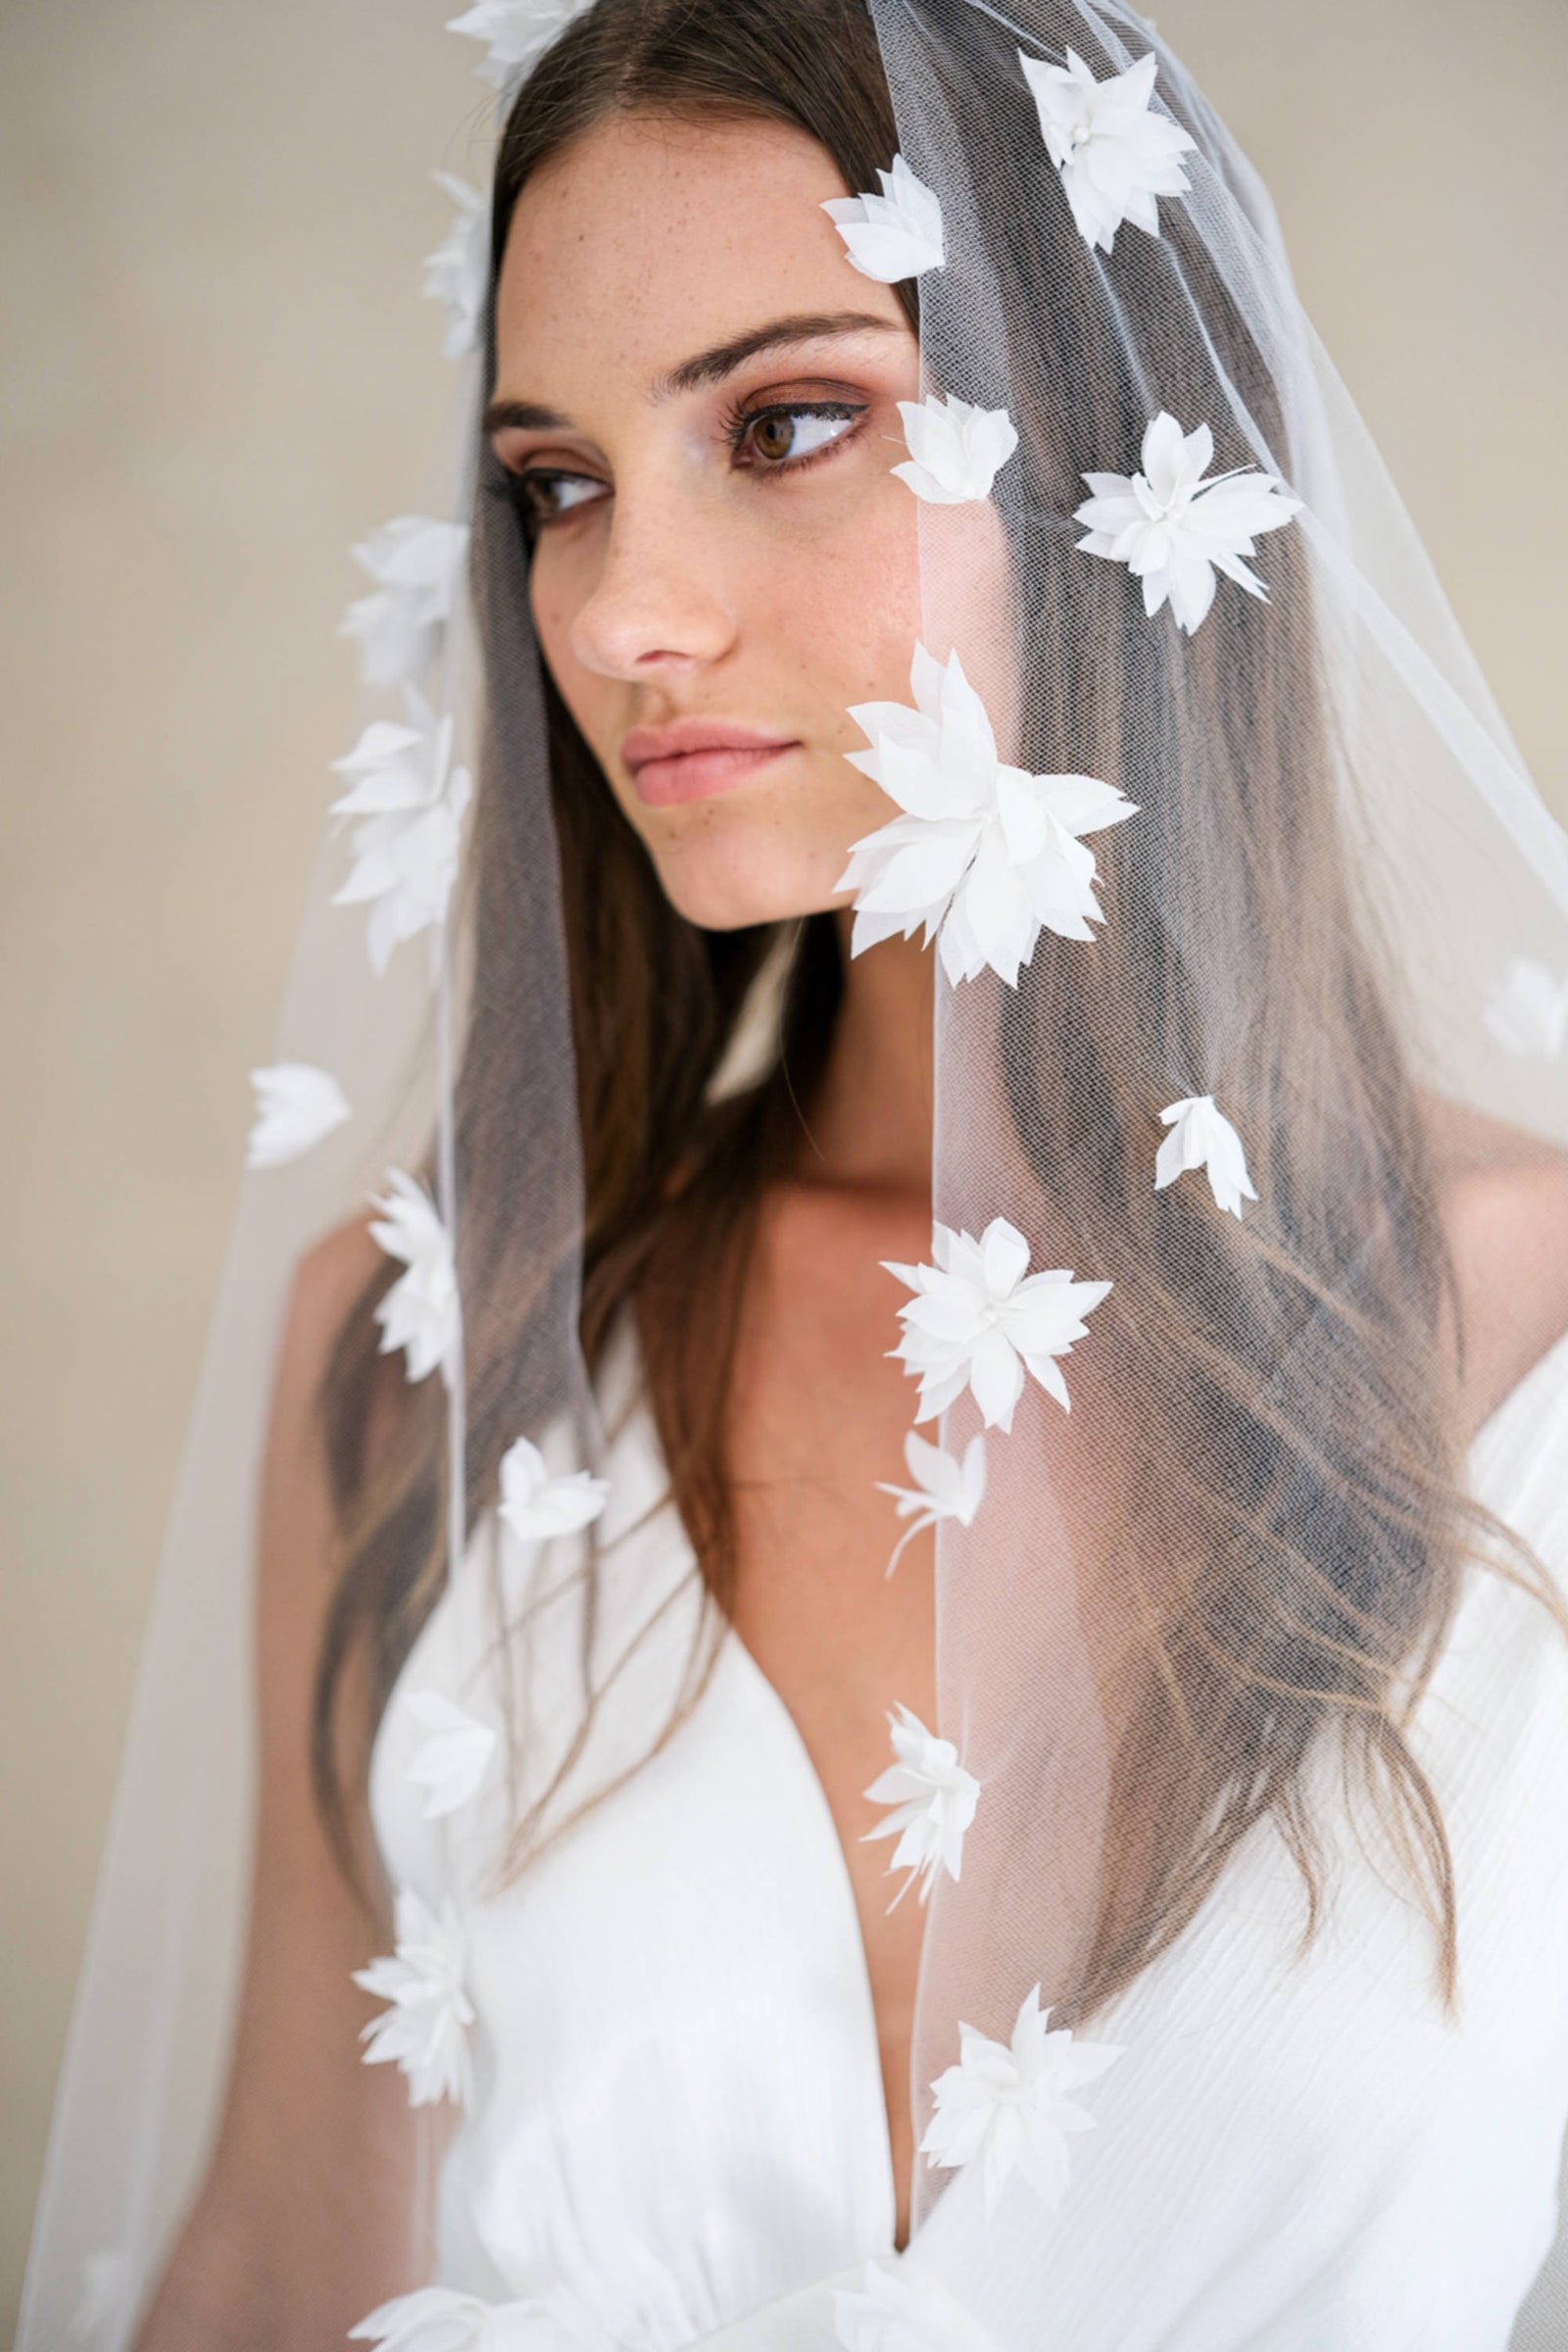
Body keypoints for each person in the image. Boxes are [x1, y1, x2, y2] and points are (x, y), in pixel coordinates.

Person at [21, 1, 1568, 2346]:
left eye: (788, 420)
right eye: (556, 482)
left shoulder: (1542, 1330)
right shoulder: (442, 1344)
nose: (622, 611)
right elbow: (266, 2275)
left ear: (1107, 454)